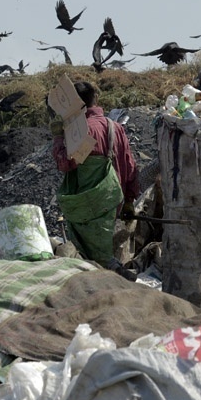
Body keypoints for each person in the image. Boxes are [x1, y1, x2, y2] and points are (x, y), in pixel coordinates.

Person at [53, 81, 140, 265]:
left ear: (74, 105)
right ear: (96, 98)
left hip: (90, 209)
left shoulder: (84, 131)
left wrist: (58, 138)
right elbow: (130, 166)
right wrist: (130, 201)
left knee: (94, 261)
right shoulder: (115, 127)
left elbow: (66, 164)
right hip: (114, 201)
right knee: (110, 253)